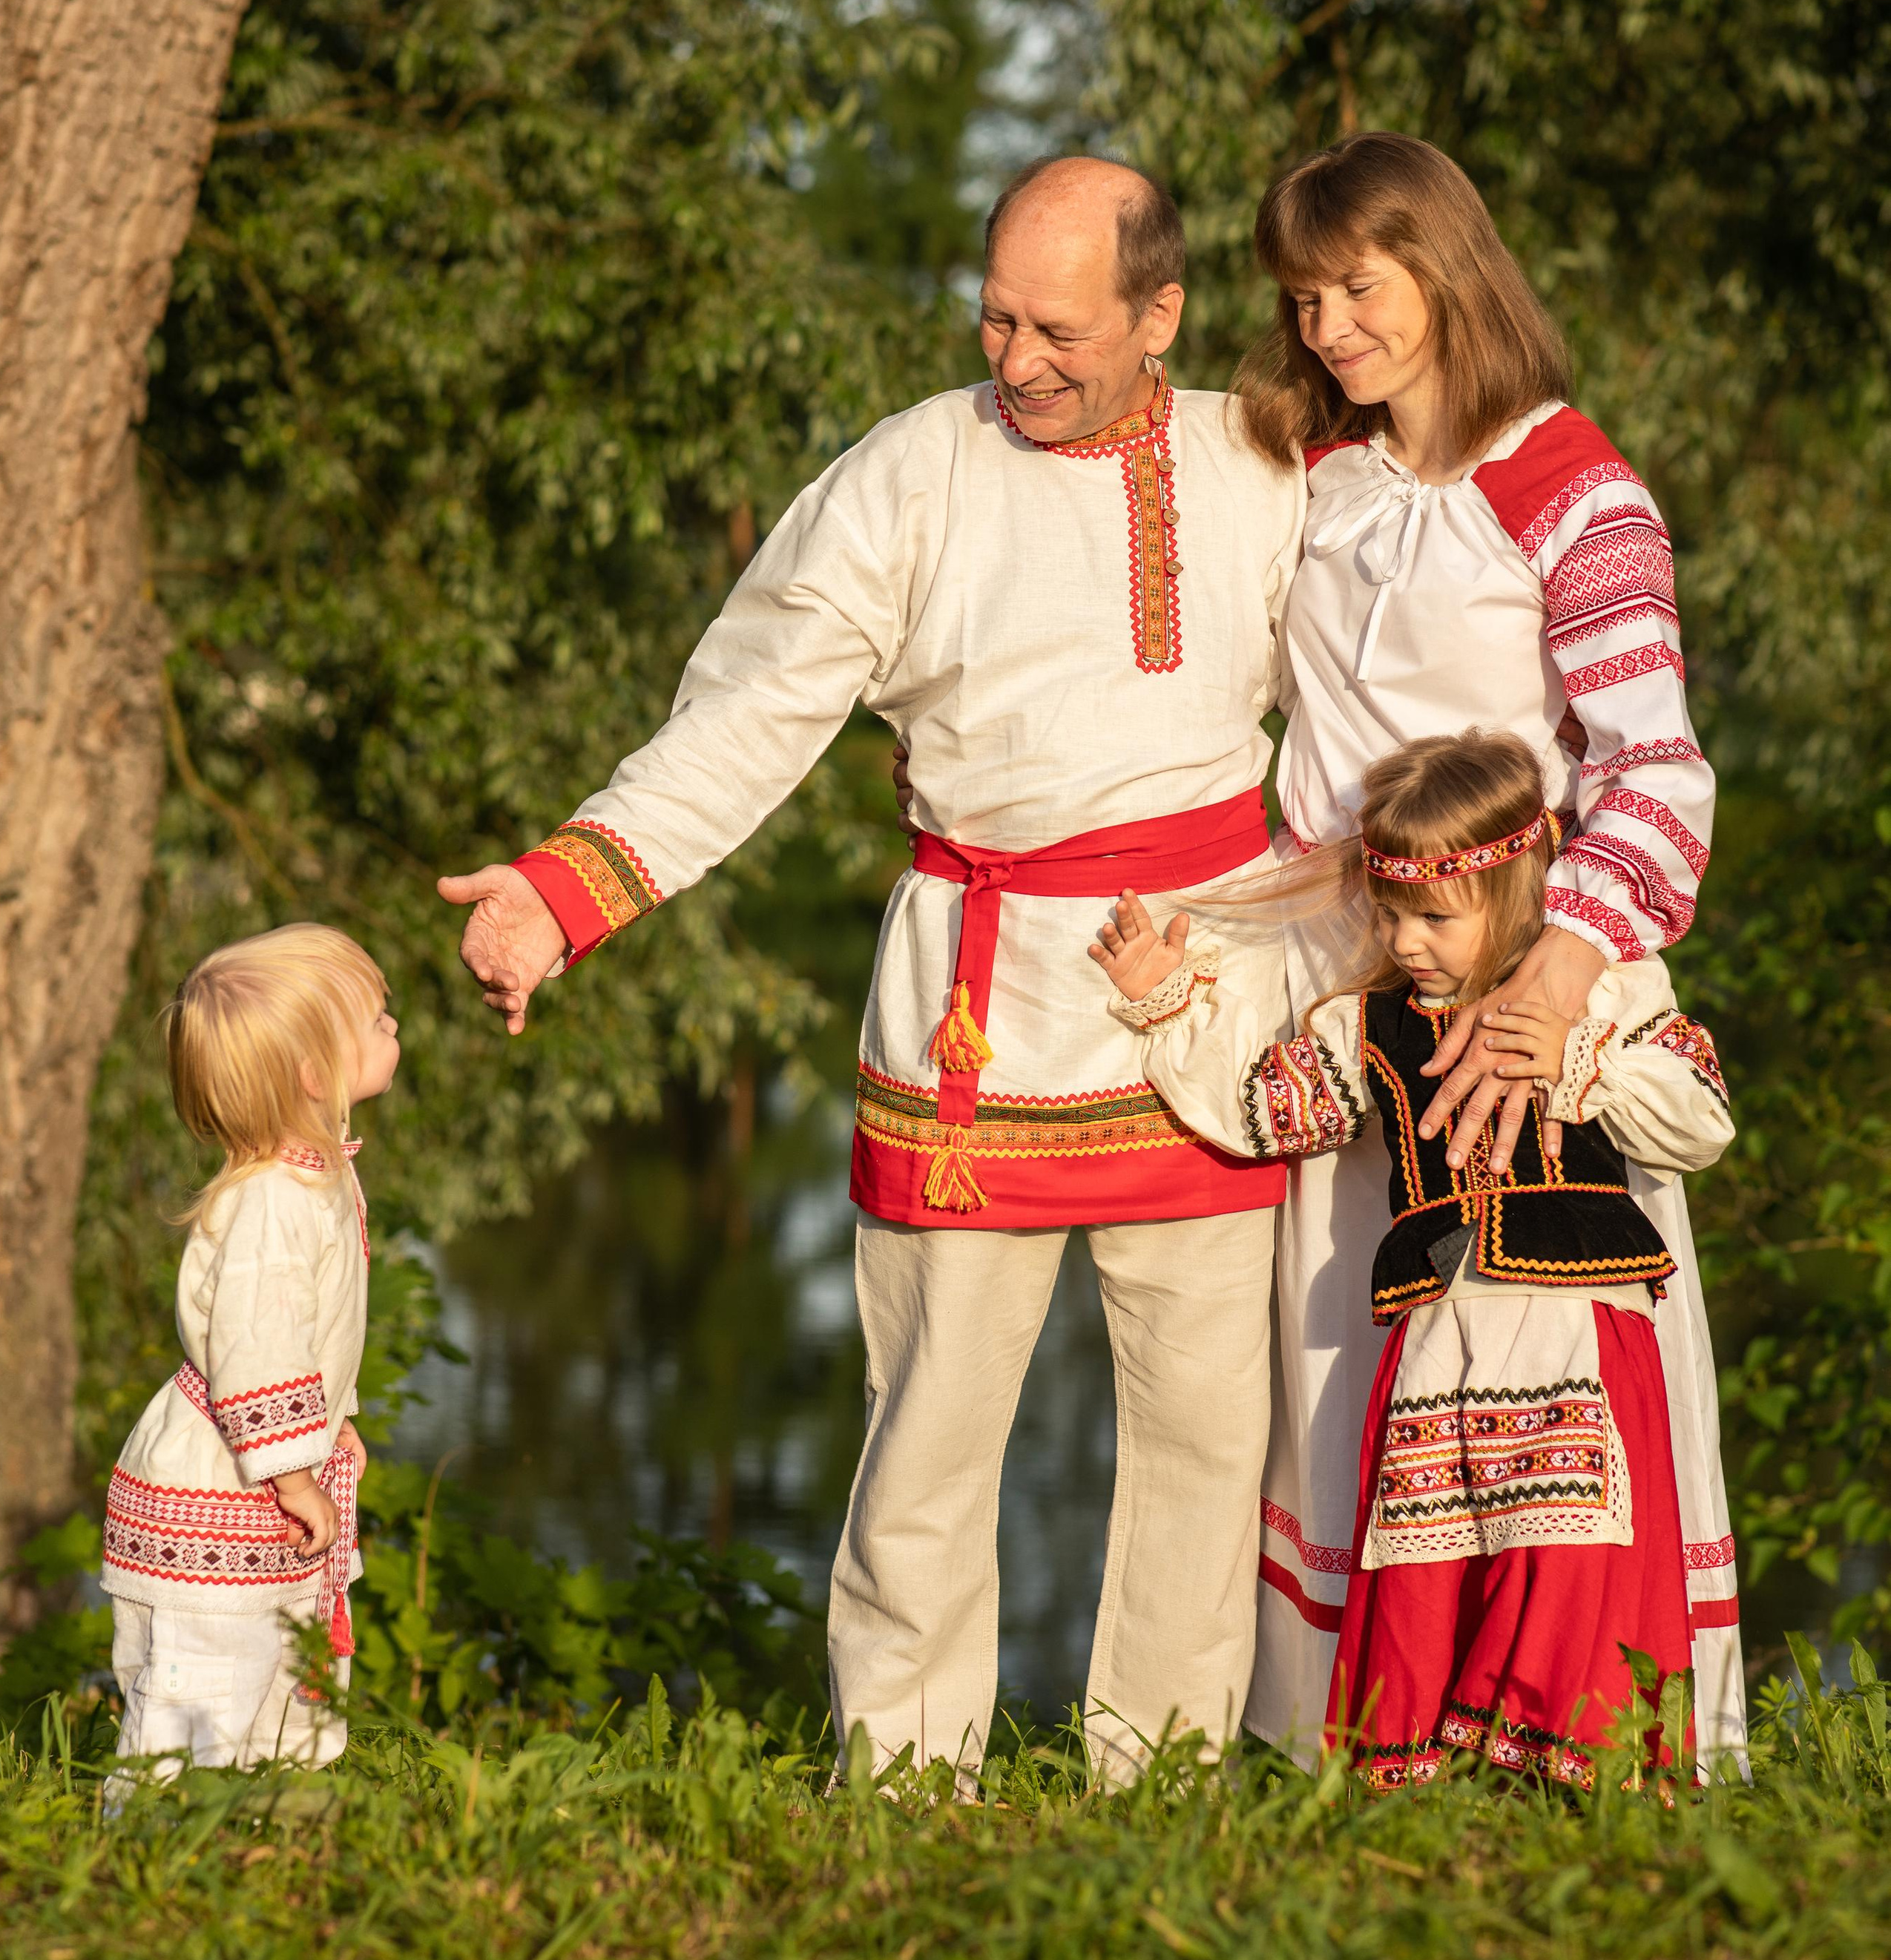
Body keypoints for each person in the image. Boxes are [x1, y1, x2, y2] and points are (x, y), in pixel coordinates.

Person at [440, 156, 1305, 1783]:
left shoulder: (1261, 462)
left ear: (1159, 314)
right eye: (992, 316)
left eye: (1057, 327)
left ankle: (1166, 1785)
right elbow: (753, 707)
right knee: (925, 1442)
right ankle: (906, 1789)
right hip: (972, 1013)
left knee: (1205, 1438)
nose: (1014, 359)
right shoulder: (911, 472)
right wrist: (564, 893)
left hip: (1205, 1008)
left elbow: (1375, 699)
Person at [1226, 131, 1741, 1766]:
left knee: (1553, 1335)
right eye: (1302, 299)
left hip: (1529, 971)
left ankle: (1586, 1731)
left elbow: (1652, 767)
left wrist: (1557, 976)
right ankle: (1358, 1743)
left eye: (1355, 289)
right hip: (1344, 975)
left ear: (1443, 270)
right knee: (1345, 1367)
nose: (1326, 331)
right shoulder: (1313, 480)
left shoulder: (1570, 486)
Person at [1094, 729, 1734, 1789]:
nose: (1409, 940)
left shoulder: (1609, 990)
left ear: (1519, 883)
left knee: (1571, 1558)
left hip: (1580, 1326)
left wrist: (1584, 1064)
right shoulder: (1369, 1029)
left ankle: (1576, 1774)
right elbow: (1260, 1112)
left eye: (1435, 916)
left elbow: (1701, 1122)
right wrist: (1168, 1007)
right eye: (1390, 914)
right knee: (1435, 1554)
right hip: (1443, 1335)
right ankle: (1431, 1778)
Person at [100, 924, 397, 1783]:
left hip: (262, 1466)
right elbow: (258, 1347)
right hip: (222, 1483)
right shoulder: (274, 1198)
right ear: (313, 1074)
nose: (392, 1028)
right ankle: (158, 1833)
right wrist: (294, 1469)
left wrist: (331, 1426)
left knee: (276, 1662)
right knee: (203, 1680)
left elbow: (309, 1335)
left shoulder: (312, 1176)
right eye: (376, 1019)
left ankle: (260, 1830)